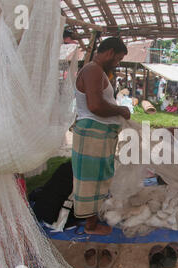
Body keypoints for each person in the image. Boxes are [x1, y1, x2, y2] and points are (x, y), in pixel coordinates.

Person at [72, 37, 130, 235]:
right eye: (118, 59)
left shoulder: (98, 71)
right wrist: (120, 109)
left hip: (100, 135)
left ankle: (94, 217)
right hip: (92, 134)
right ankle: (90, 225)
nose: (117, 63)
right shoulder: (92, 70)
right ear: (110, 52)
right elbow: (95, 105)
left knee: (99, 177)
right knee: (91, 179)